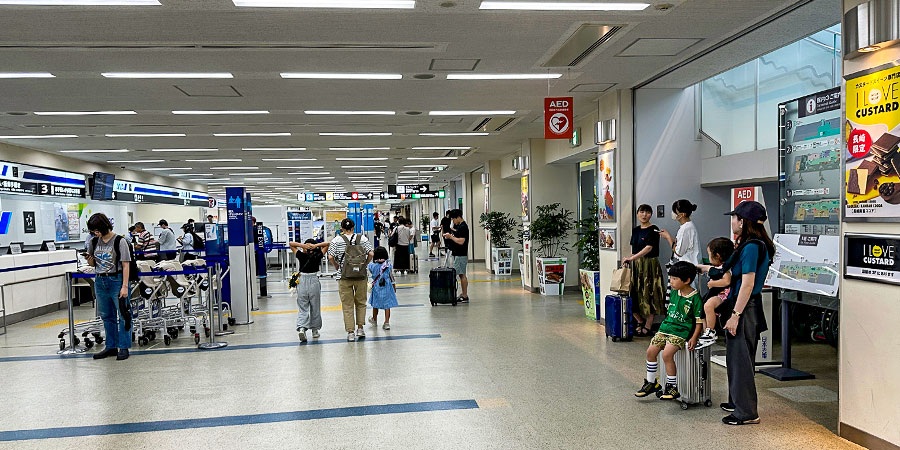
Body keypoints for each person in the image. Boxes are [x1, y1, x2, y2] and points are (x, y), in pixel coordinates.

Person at [706, 200, 773, 426]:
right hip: (745, 306)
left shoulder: (752, 247)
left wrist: (735, 315)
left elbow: (747, 284)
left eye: (734, 218)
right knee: (737, 359)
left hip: (745, 307)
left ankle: (746, 412)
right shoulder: (750, 244)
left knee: (741, 361)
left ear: (743, 222)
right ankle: (737, 402)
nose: (732, 222)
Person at [634, 261, 703, 400]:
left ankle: (672, 387)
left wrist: (694, 337)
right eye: (670, 278)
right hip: (665, 328)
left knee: (666, 355)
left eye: (674, 279)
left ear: (687, 280)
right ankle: (651, 383)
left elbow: (699, 321)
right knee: (650, 352)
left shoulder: (695, 298)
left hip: (680, 331)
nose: (671, 281)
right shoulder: (673, 292)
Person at [84, 213, 132, 361]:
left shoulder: (120, 241)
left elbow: (126, 265)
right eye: (93, 231)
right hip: (100, 280)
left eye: (97, 230)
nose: (95, 233)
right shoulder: (93, 242)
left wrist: (125, 286)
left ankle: (123, 346)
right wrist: (89, 259)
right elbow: (93, 264)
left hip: (116, 280)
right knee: (106, 316)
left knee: (123, 315)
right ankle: (111, 346)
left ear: (104, 226)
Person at [327, 218, 374, 342]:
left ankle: (350, 332)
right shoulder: (362, 238)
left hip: (344, 276)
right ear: (354, 227)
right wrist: (365, 264)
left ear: (342, 228)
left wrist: (336, 265)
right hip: (361, 275)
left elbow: (330, 256)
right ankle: (360, 329)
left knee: (347, 305)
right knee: (361, 302)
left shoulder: (336, 240)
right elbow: (371, 254)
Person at [622, 204, 666, 337]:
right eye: (642, 212)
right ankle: (640, 320)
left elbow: (649, 248)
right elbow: (635, 249)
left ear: (651, 214)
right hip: (636, 266)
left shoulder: (654, 229)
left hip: (650, 265)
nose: (644, 215)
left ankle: (648, 324)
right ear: (637, 214)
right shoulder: (636, 230)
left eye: (647, 212)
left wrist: (632, 258)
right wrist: (628, 259)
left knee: (650, 293)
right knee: (634, 293)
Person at [695, 237, 735, 350]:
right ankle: (706, 333)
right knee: (703, 309)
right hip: (718, 294)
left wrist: (713, 283)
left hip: (723, 295)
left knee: (708, 305)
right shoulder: (719, 267)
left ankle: (711, 331)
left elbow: (726, 281)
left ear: (717, 256)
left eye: (709, 254)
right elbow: (708, 268)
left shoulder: (726, 269)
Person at [290, 238, 330, 342]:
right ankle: (315, 330)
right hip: (314, 280)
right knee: (315, 306)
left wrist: (302, 246)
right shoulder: (318, 255)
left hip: (302, 281)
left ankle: (302, 328)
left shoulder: (301, 255)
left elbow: (291, 244)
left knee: (303, 306)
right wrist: (316, 246)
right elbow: (327, 244)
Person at [659, 199, 700, 266]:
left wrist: (668, 237)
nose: (673, 213)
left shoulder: (686, 228)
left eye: (675, 212)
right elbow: (682, 243)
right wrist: (668, 237)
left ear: (682, 214)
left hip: (688, 265)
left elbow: (678, 252)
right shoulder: (687, 226)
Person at [367, 246, 398, 330]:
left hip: (376, 287)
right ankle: (386, 322)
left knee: (375, 304)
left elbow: (370, 271)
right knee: (387, 305)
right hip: (387, 287)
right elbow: (391, 277)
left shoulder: (372, 265)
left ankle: (374, 319)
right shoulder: (388, 265)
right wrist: (394, 286)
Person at [443, 209, 470, 303]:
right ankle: (463, 294)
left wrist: (451, 237)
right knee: (461, 274)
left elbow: (461, 241)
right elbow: (459, 235)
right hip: (458, 253)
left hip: (460, 254)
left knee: (462, 275)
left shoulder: (463, 227)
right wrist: (452, 234)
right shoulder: (460, 226)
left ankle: (465, 295)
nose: (453, 221)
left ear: (458, 217)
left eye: (453, 219)